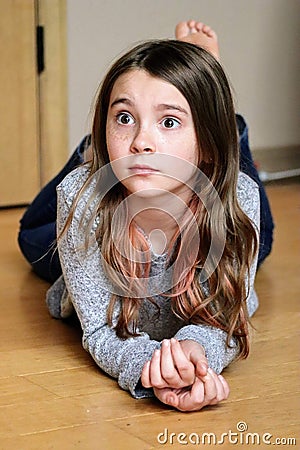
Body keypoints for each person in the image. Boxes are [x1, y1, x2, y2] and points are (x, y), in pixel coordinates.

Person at [18, 21, 274, 412]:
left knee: (259, 236)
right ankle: (93, 151)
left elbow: (224, 322)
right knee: (32, 235)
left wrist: (195, 358)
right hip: (101, 221)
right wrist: (152, 372)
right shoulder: (82, 200)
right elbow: (103, 331)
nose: (141, 140)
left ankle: (219, 109)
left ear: (204, 142)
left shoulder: (239, 196)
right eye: (123, 117)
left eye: (169, 121)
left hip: (215, 189)